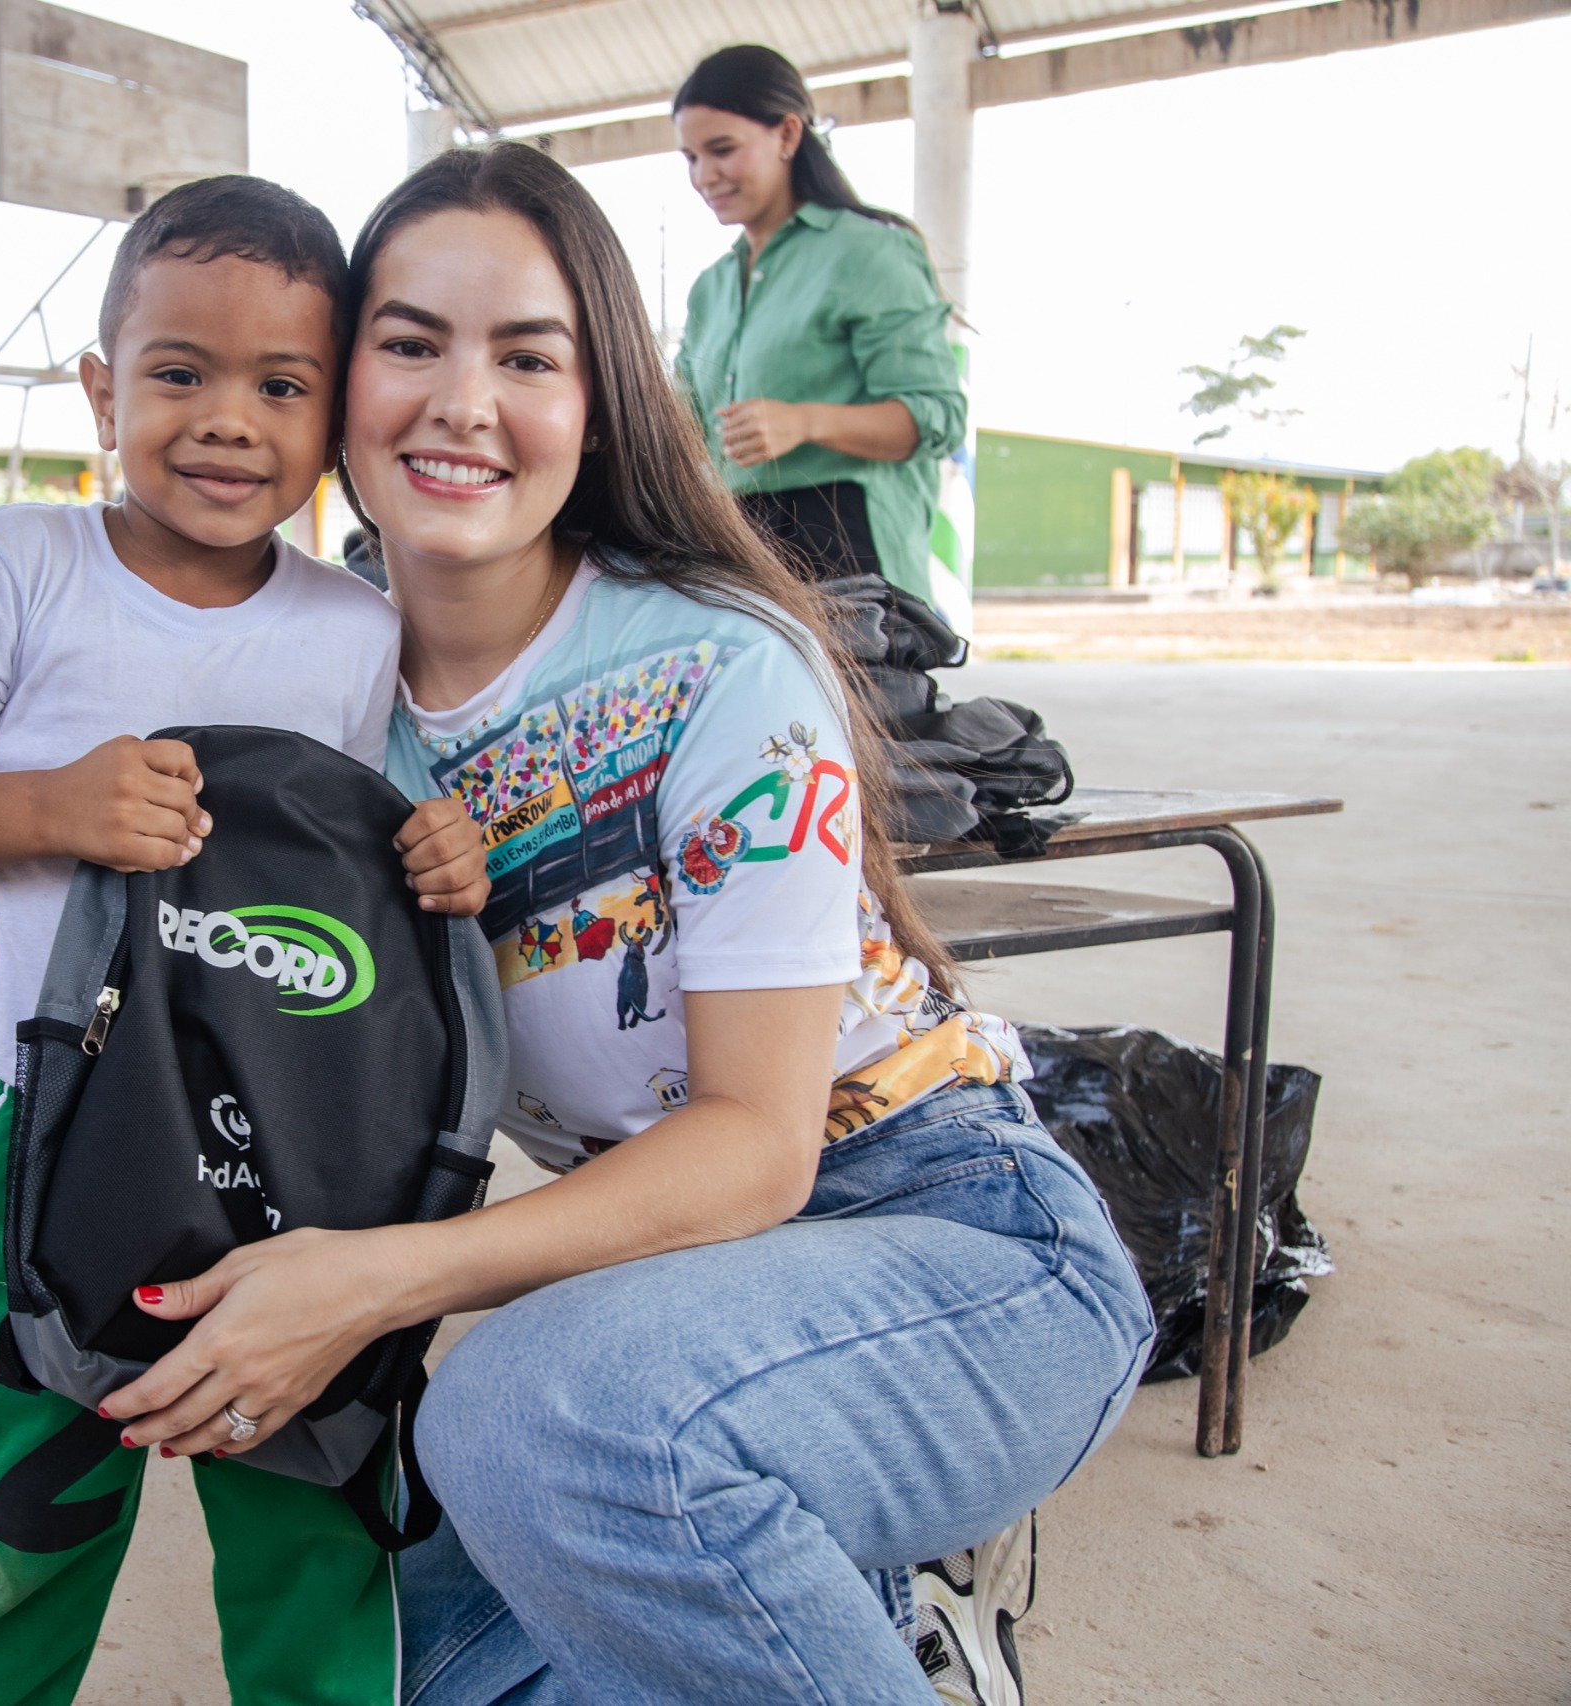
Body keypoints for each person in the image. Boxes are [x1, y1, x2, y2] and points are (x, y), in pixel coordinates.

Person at [93, 144, 1155, 1705]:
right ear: (333, 390)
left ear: (597, 407)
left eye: (527, 355)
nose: (463, 402)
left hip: (953, 1238)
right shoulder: (323, 712)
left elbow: (757, 1147)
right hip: (664, 1291)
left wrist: (381, 1278)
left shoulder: (718, 667)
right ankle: (862, 1591)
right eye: (411, 343)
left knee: (525, 1425)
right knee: (396, 1666)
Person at [0, 176, 489, 1706]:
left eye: (281, 385)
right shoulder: (23, 564)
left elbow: (386, 850)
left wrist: (445, 849)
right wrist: (45, 804)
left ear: (338, 418)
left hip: (297, 1155)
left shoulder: (354, 627)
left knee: (309, 1514)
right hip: (60, 1137)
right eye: (177, 372)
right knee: (32, 1511)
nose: (226, 421)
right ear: (99, 387)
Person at [671, 45, 967, 602]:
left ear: (787, 135)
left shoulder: (870, 253)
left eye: (722, 150)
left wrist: (805, 421)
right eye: (690, 158)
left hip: (848, 547)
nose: (704, 175)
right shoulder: (709, 288)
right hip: (739, 547)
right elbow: (678, 426)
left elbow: (939, 418)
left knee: (852, 693)